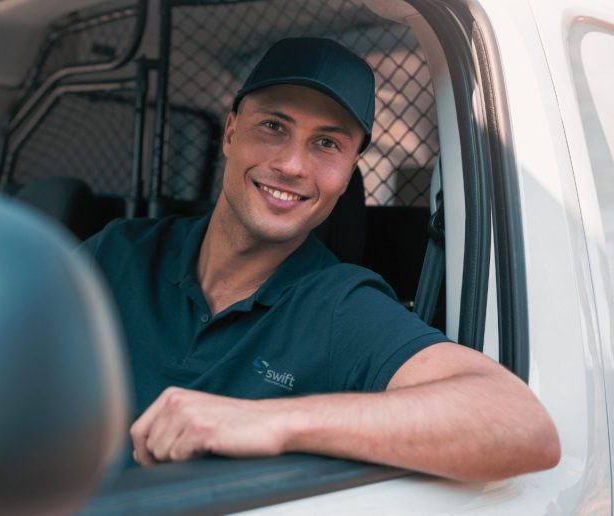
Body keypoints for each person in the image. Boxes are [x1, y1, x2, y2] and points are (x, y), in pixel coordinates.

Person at [82, 37, 559, 481]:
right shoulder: (120, 252)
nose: (292, 165)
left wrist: (270, 421)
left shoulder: (340, 306)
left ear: (350, 171)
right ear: (230, 133)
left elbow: (521, 425)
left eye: (327, 143)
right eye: (273, 126)